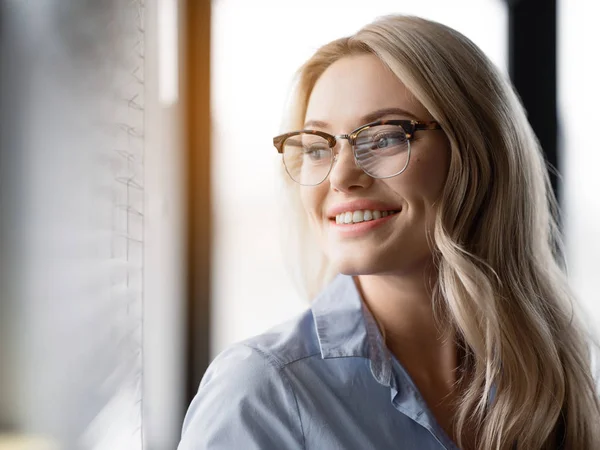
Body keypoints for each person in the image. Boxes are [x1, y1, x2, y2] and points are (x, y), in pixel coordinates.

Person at [178, 15, 600, 450]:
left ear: (477, 154)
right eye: (319, 147)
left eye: (383, 138)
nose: (341, 177)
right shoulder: (261, 393)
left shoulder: (553, 373)